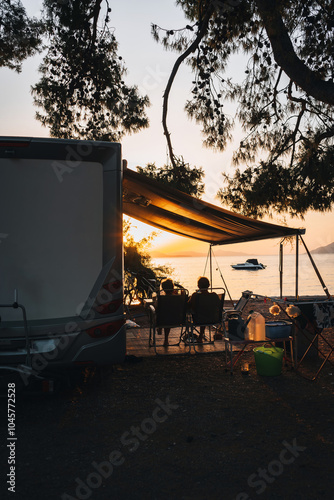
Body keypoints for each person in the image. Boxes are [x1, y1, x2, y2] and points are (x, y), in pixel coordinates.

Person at [188, 276, 219, 343]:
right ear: (209, 285)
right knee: (205, 312)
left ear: (198, 286)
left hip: (198, 320)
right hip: (214, 319)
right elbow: (218, 306)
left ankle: (200, 336)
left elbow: (188, 306)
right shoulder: (214, 295)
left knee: (200, 314)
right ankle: (200, 336)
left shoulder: (195, 296)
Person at [154, 278, 175, 346]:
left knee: (163, 314)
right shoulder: (177, 298)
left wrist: (154, 302)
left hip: (162, 320)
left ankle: (160, 328)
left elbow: (156, 308)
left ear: (163, 288)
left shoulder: (161, 299)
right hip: (176, 320)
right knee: (168, 315)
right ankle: (166, 340)